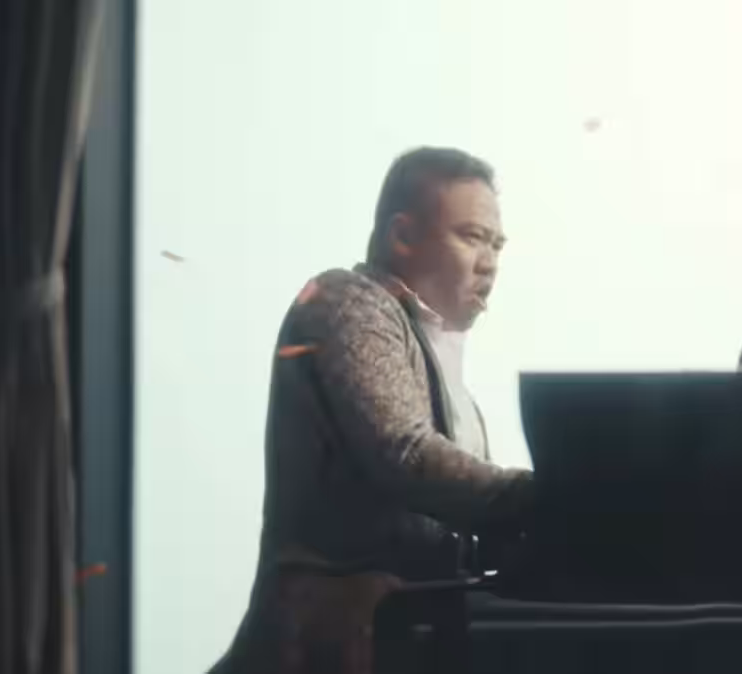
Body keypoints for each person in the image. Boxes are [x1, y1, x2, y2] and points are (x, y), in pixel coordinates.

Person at [209, 147, 534, 674]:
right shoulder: (345, 300)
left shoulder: (454, 386)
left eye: (497, 244)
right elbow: (404, 453)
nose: (490, 261)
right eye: (472, 237)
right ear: (402, 236)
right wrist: (550, 498)